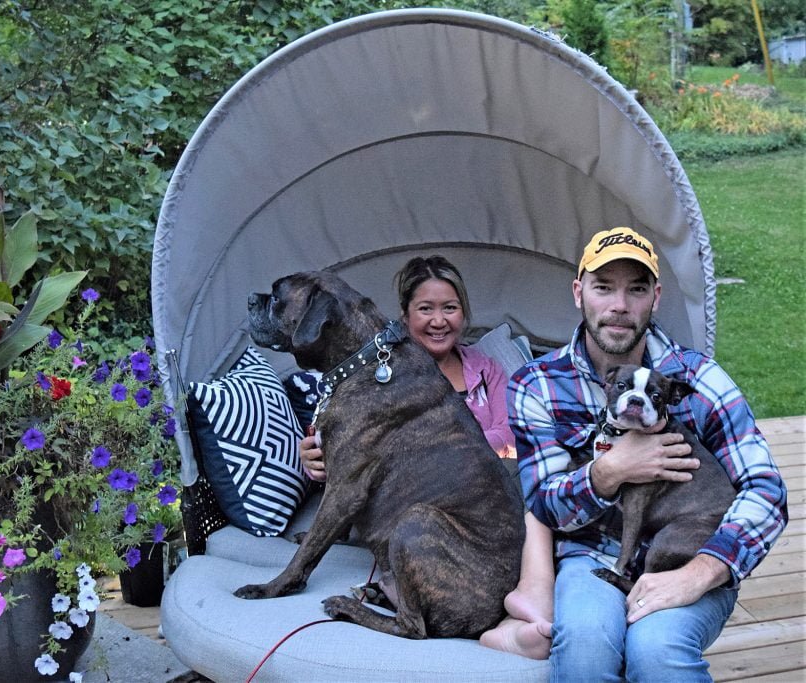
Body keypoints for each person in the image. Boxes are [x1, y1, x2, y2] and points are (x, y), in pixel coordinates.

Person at [507, 226, 788, 681]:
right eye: (604, 287)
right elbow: (544, 504)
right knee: (585, 651)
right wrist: (608, 472)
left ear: (655, 297)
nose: (620, 305)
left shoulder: (698, 378)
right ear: (579, 292)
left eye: (636, 289)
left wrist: (700, 572)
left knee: (658, 652)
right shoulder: (536, 384)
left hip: (690, 554)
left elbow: (767, 491)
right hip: (592, 554)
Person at [299, 255, 556, 659]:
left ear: (464, 314)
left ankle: (512, 615)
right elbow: (348, 466)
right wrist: (318, 460)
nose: (439, 320)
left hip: (472, 521)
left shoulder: (486, 370)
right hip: (405, 522)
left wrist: (438, 446)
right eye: (425, 309)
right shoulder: (369, 383)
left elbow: (511, 436)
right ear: (403, 317)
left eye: (449, 308)